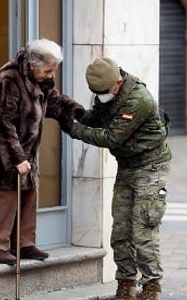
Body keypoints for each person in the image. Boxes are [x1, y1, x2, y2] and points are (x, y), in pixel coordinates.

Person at [66, 58, 172, 300]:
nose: (101, 96)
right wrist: (72, 112)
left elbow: (112, 137)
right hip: (127, 166)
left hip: (151, 167)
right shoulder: (108, 92)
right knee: (121, 230)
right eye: (97, 93)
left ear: (118, 82)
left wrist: (73, 130)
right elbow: (97, 117)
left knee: (143, 229)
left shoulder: (138, 100)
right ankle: (125, 284)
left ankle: (152, 286)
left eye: (104, 93)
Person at [0, 38, 83, 265]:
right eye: (48, 70)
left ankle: (24, 244)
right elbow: (3, 123)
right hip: (0, 149)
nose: (51, 75)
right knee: (8, 193)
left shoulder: (38, 78)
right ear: (33, 65)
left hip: (26, 150)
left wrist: (75, 110)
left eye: (54, 70)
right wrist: (17, 158)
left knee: (30, 191)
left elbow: (52, 100)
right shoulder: (9, 79)